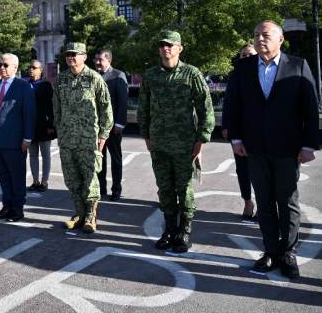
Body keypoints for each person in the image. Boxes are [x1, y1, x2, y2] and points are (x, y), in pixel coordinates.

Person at [224, 21, 318, 279]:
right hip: (255, 148)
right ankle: (270, 251)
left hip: (288, 148)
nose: (259, 39)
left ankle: (288, 253)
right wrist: (236, 139)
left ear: (281, 39)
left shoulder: (298, 66)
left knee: (288, 202)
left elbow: (310, 107)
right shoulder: (242, 68)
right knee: (264, 201)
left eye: (265, 35)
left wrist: (310, 144)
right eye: (256, 35)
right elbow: (233, 106)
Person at [138, 30, 214, 253]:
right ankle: (169, 230)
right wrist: (146, 136)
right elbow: (143, 108)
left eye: (170, 45)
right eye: (162, 45)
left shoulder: (192, 74)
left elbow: (205, 108)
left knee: (185, 189)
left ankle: (184, 231)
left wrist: (201, 140)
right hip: (159, 144)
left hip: (184, 145)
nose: (166, 48)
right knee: (165, 189)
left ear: (180, 48)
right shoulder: (150, 75)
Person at [54, 43, 113, 233]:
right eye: (68, 54)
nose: (70, 57)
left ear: (84, 56)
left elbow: (106, 109)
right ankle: (78, 213)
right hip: (67, 139)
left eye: (75, 54)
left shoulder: (94, 78)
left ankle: (90, 217)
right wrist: (60, 130)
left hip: (88, 140)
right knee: (72, 179)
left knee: (90, 180)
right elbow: (57, 108)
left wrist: (103, 135)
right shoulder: (61, 79)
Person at [0, 53, 36, 222]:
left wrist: (27, 138)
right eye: (0, 64)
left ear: (15, 67)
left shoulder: (23, 87)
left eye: (5, 65)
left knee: (17, 178)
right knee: (3, 177)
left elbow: (29, 114)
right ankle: (6, 206)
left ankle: (17, 209)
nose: (2, 67)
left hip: (15, 142)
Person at [221, 43, 258, 220]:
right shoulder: (235, 75)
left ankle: (265, 204)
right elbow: (229, 103)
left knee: (262, 170)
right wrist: (226, 126)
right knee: (242, 170)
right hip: (240, 131)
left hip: (261, 132)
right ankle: (248, 202)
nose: (246, 57)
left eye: (250, 54)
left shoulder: (265, 73)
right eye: (243, 55)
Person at [94, 49, 129, 201]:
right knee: (99, 157)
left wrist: (120, 123)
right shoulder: (94, 76)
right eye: (96, 59)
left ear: (109, 60)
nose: (97, 62)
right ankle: (101, 188)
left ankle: (116, 189)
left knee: (115, 159)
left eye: (100, 59)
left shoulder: (118, 75)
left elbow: (123, 102)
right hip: (97, 126)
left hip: (113, 126)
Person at [26, 60, 56, 192]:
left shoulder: (46, 85)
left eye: (34, 67)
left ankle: (44, 181)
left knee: (45, 155)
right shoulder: (25, 85)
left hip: (44, 125)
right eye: (30, 67)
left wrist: (51, 125)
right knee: (32, 155)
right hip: (30, 125)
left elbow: (51, 107)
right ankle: (35, 181)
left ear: (41, 70)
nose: (31, 69)